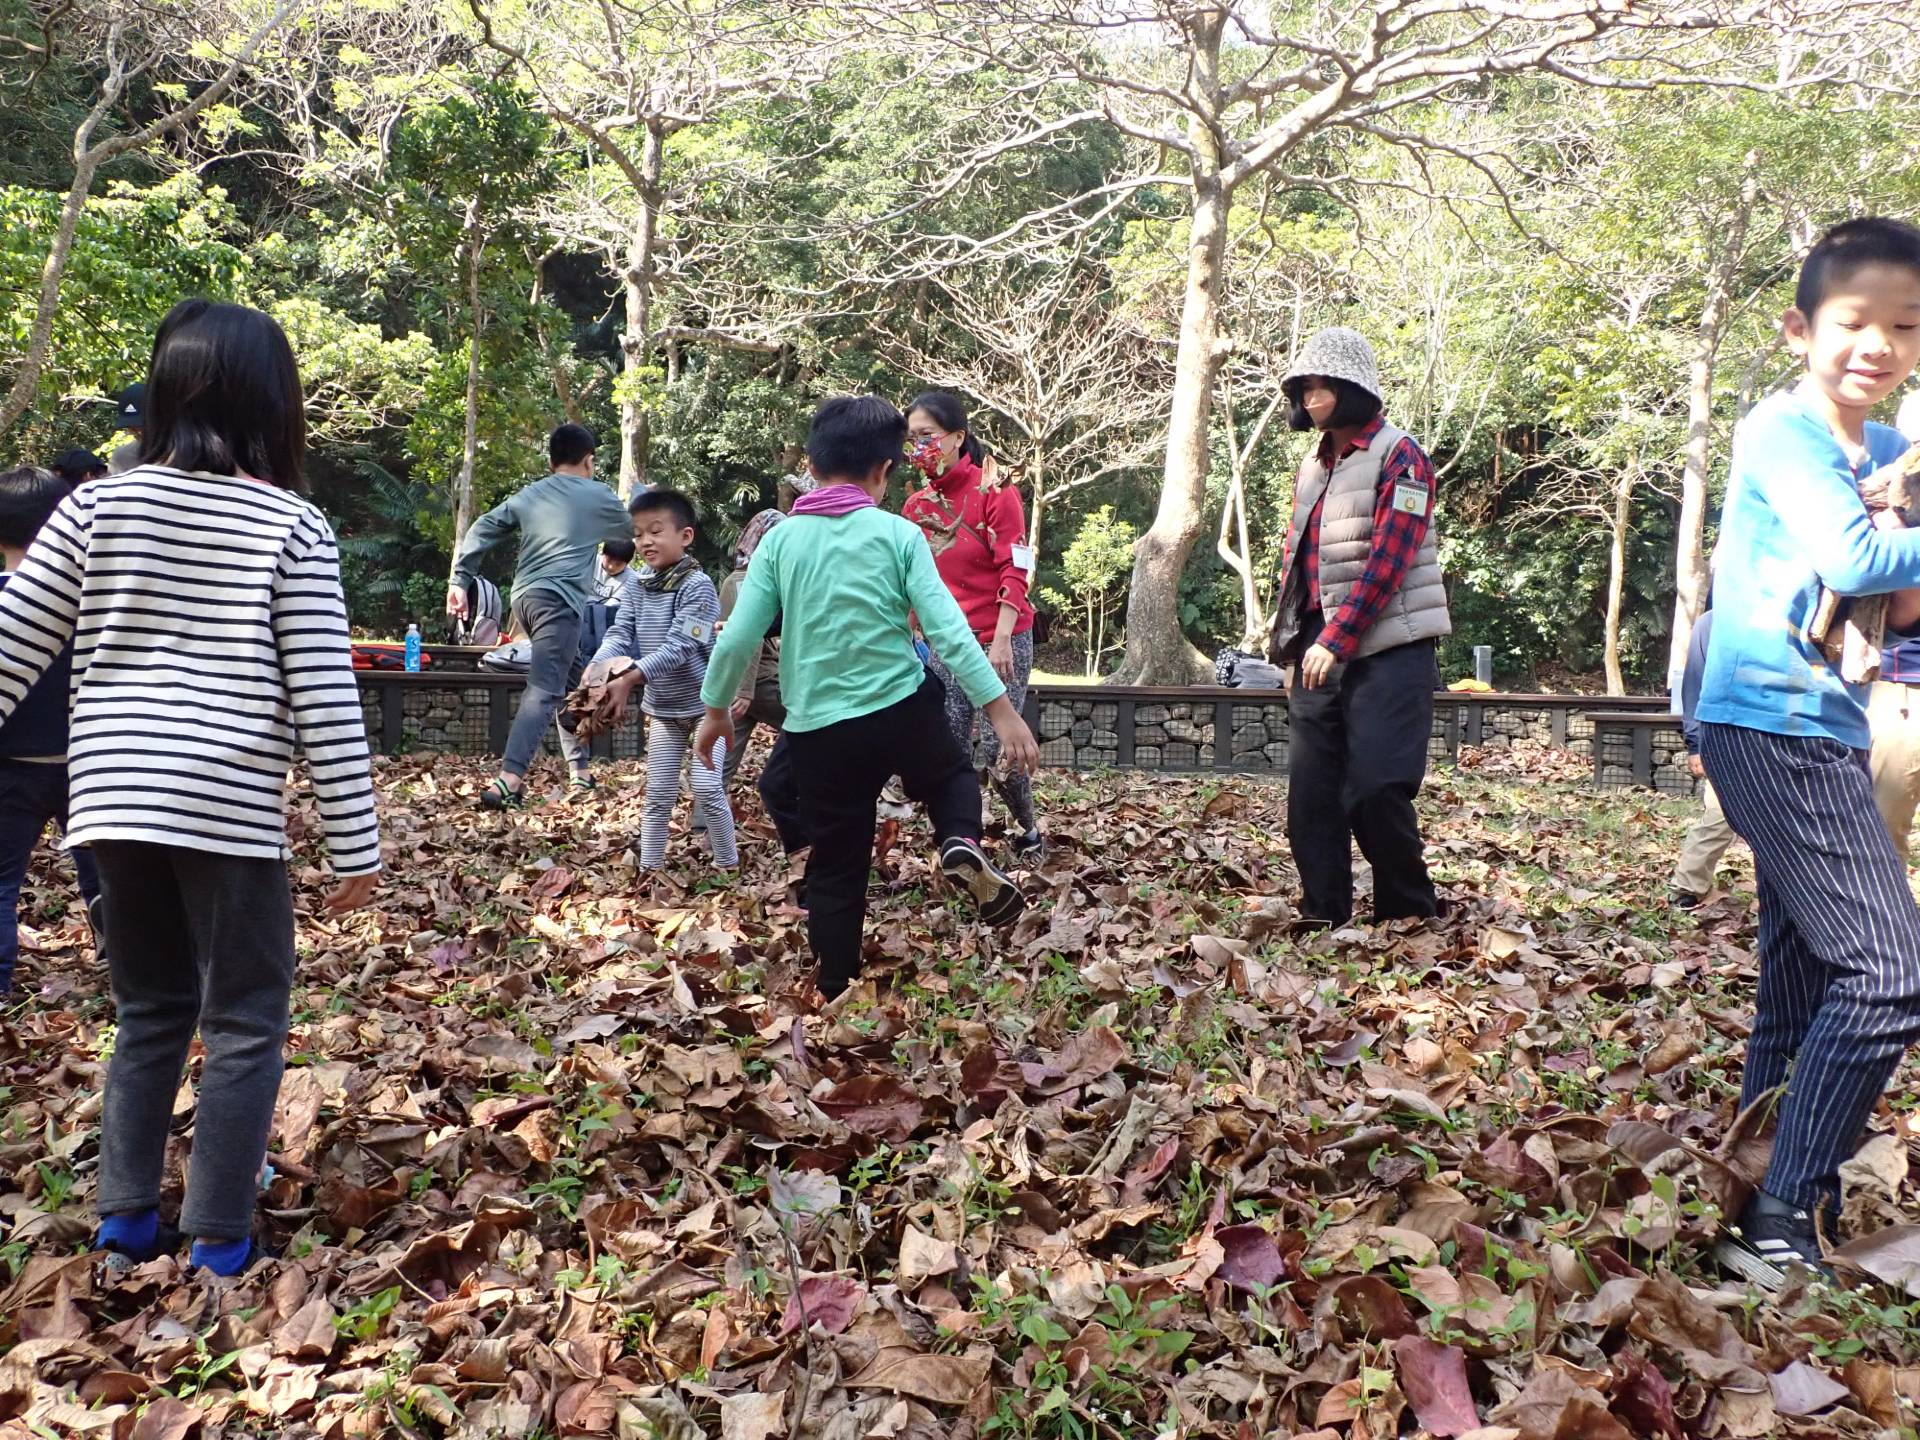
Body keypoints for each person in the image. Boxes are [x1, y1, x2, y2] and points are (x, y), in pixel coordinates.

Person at [0, 298, 381, 1274]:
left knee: (150, 1010)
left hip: (114, 805)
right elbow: (326, 699)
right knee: (245, 1017)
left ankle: (125, 1222)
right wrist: (355, 849)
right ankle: (217, 1239)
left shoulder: (93, 507)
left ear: (164, 396)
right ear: (277, 407)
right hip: (227, 809)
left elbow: (12, 644)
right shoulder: (291, 525)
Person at [1694, 217, 1920, 1288]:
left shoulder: (1883, 451)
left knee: (1800, 987)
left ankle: (1762, 1195)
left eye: (1906, 327)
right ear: (1801, 328)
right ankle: (1781, 1217)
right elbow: (1855, 551)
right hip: (1768, 722)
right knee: (1888, 974)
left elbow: (1896, 595)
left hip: (1824, 721)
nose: (1879, 344)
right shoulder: (1779, 432)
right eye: (1856, 322)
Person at [695, 396, 1037, 1001]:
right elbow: (951, 633)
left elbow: (739, 635)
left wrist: (717, 710)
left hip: (820, 728)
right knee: (951, 775)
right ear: (884, 470)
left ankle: (836, 987)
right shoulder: (899, 533)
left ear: (810, 461)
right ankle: (958, 840)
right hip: (902, 706)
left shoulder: (780, 542)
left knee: (838, 859)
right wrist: (1001, 710)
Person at [1267, 327, 1451, 928]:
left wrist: (1336, 639)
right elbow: (1298, 563)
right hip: (1319, 650)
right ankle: (1325, 915)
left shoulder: (1403, 455)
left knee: (1375, 789)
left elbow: (1389, 564)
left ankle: (1408, 912)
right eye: (1304, 388)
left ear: (1350, 390)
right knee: (1311, 798)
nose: (1310, 398)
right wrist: (1292, 646)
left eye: (1320, 386)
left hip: (1390, 648)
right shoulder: (1313, 466)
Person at [448, 423, 630, 808]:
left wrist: (460, 579)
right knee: (545, 690)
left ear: (550, 462)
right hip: (559, 604)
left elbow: (483, 527)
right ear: (590, 461)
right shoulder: (597, 494)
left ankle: (580, 774)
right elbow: (639, 526)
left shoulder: (530, 494)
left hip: (525, 601)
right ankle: (509, 781)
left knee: (575, 683)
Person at [901, 392, 1044, 860]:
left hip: (1003, 636)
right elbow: (914, 582)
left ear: (958, 437)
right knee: (949, 743)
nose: (918, 447)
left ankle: (1028, 828)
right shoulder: (916, 508)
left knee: (1004, 758)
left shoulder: (995, 493)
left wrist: (1002, 637)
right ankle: (961, 840)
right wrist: (910, 629)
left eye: (927, 437)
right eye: (911, 439)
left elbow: (1014, 568)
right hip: (946, 642)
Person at [590, 489, 736, 872]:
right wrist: (597, 671)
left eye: (655, 531)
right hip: (664, 708)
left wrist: (629, 678)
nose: (645, 542)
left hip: (708, 706)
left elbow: (681, 646)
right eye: (638, 534)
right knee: (657, 794)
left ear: (685, 536)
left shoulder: (698, 586)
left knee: (706, 787)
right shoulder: (637, 585)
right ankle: (650, 869)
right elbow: (621, 633)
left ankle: (727, 866)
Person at [0, 467, 103, 994]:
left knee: (0, 880)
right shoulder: (93, 609)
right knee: (107, 876)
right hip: (88, 766)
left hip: (11, 767)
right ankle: (128, 964)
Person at [1867, 395, 1920, 858]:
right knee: (1884, 831)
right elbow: (1901, 614)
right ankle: (1891, 929)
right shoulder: (1890, 511)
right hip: (1904, 687)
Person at [1670, 609, 1738, 907]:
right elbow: (1694, 683)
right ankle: (1688, 887)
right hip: (1725, 735)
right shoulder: (1713, 622)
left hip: (1783, 731)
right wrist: (1695, 743)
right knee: (1719, 816)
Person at [718, 509, 788, 789]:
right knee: (810, 725)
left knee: (723, 760)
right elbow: (748, 636)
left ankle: (704, 824)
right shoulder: (750, 582)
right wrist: (744, 691)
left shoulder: (738, 579)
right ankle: (784, 787)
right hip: (758, 680)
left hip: (740, 682)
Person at [107, 383, 145, 474]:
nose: (133, 433)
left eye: (138, 427)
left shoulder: (180, 453)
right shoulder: (121, 457)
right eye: (129, 428)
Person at [597, 537, 635, 604]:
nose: (611, 567)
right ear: (603, 553)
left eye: (618, 564)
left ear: (627, 563)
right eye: (608, 560)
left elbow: (611, 606)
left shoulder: (631, 579)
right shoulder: (591, 562)